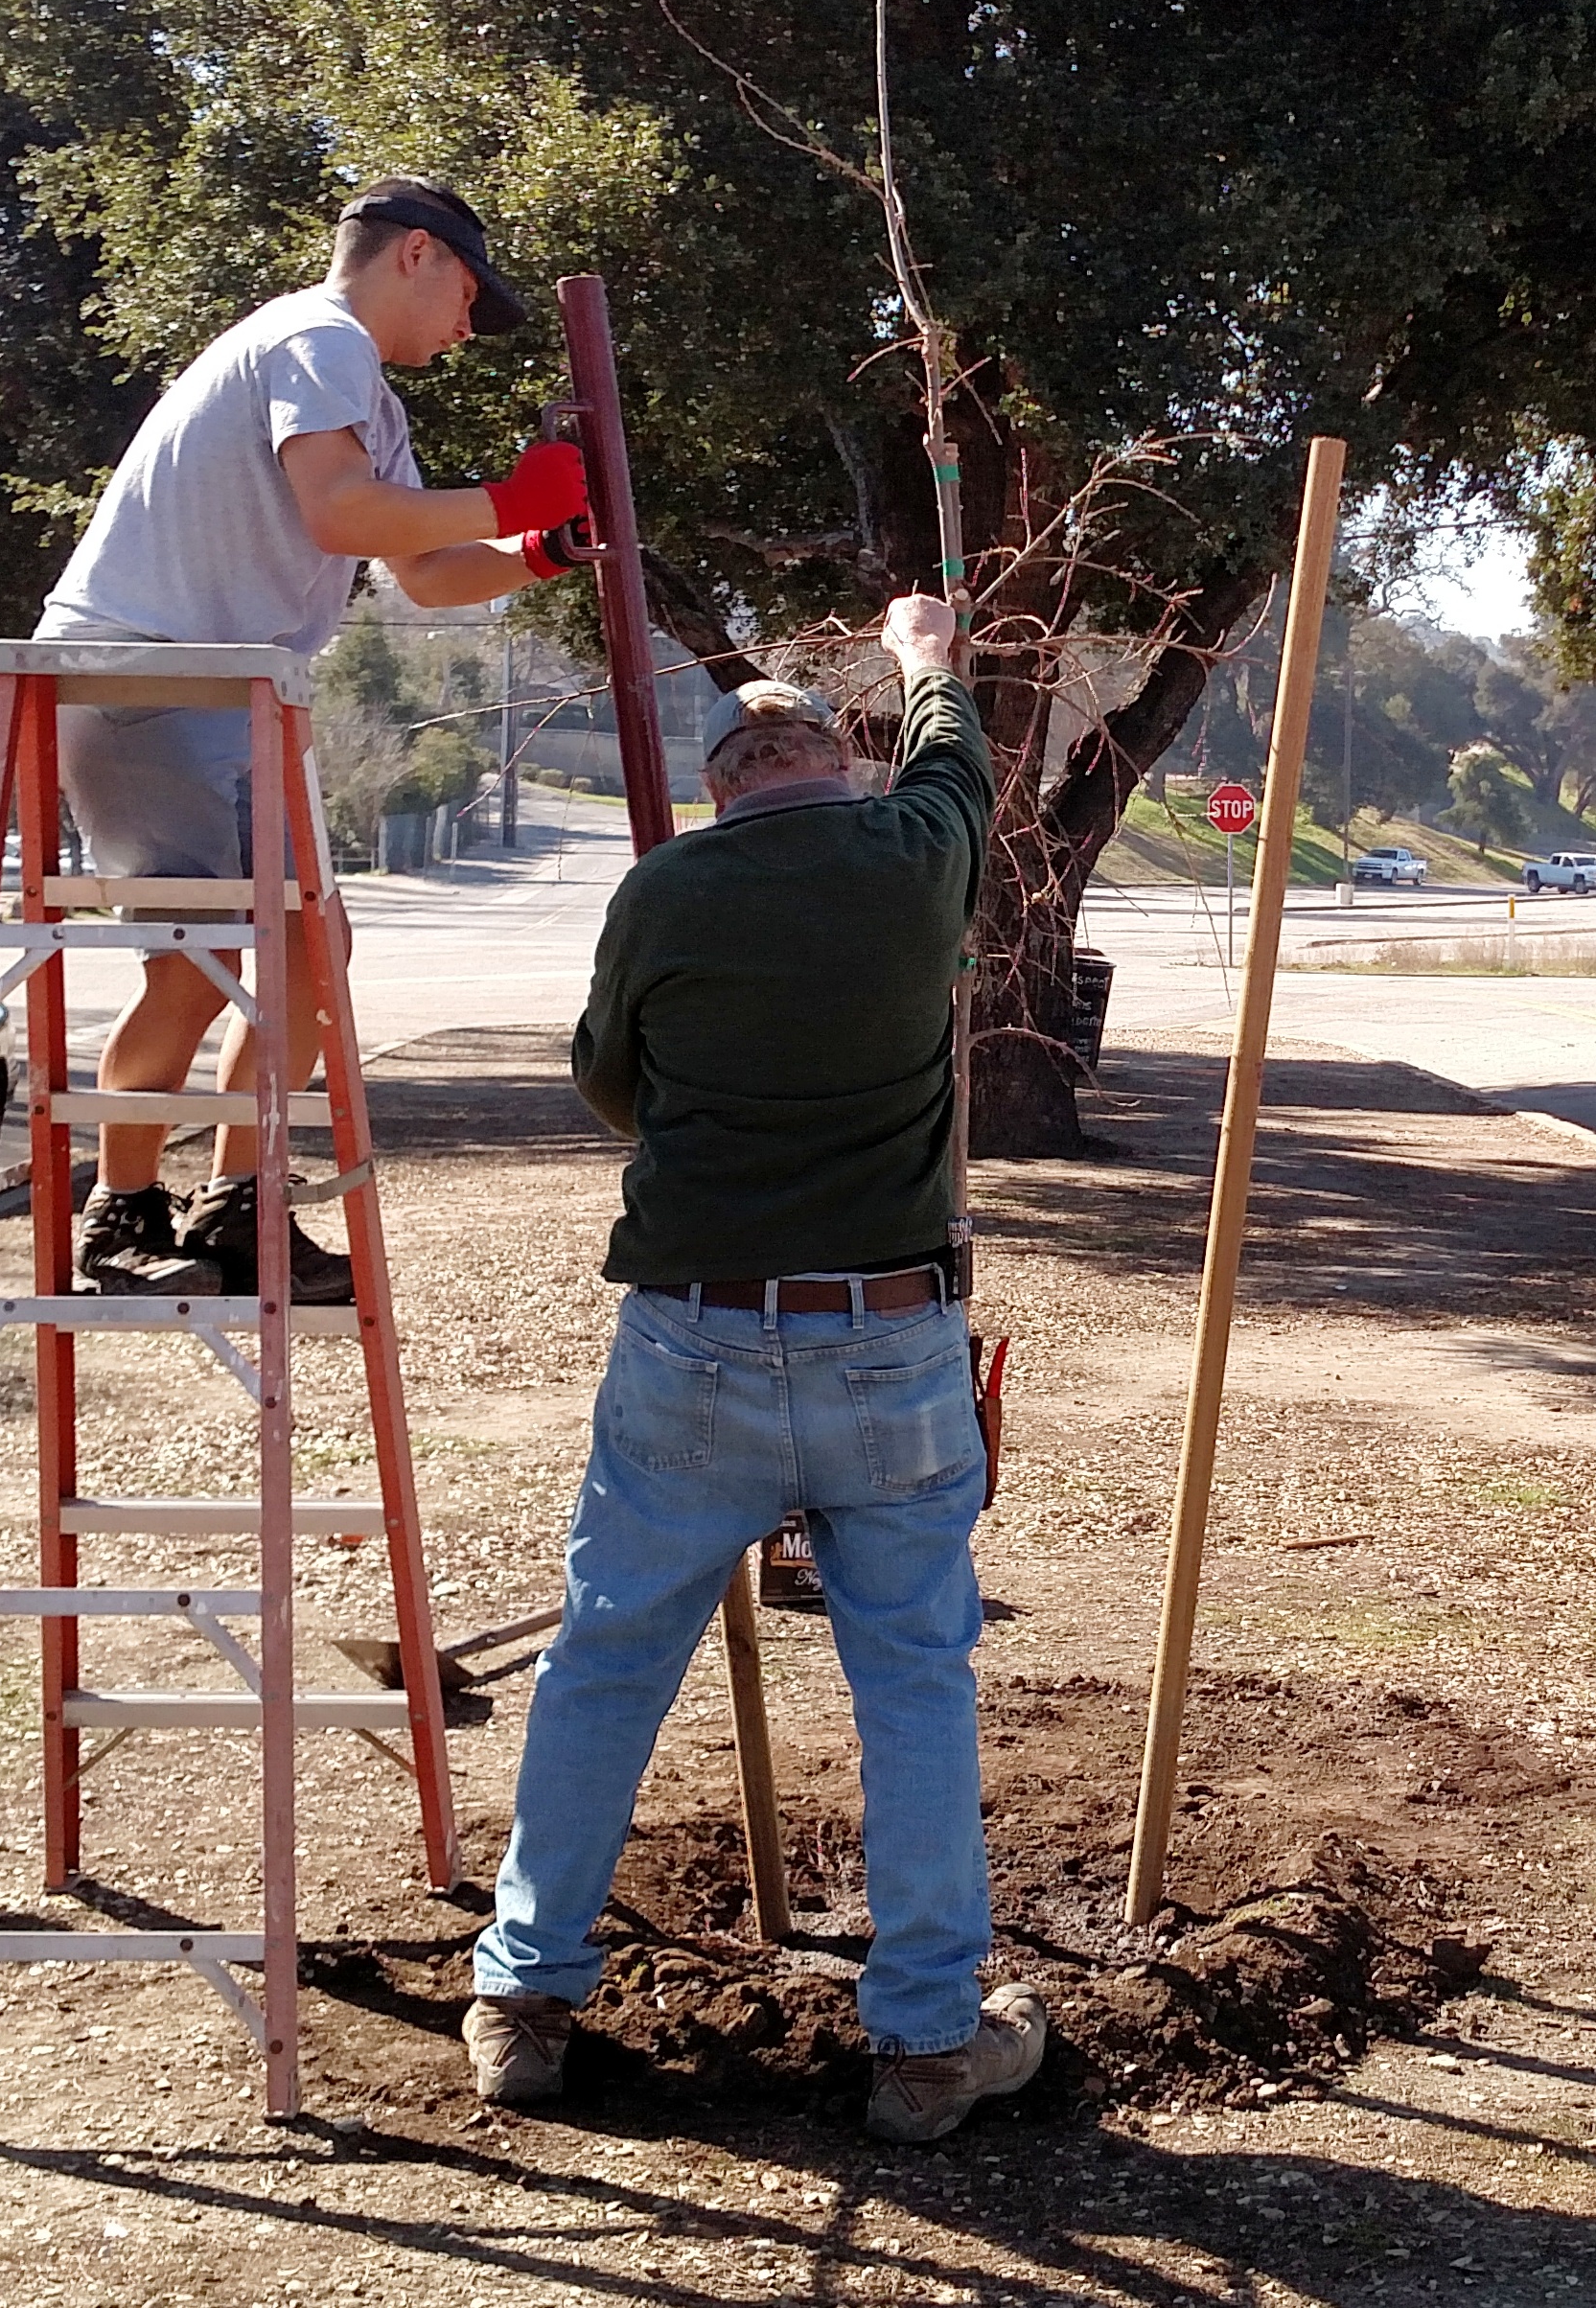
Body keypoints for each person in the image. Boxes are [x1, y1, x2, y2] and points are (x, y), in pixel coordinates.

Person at [462, 592, 1048, 2145]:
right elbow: (955, 760)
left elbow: (609, 1083)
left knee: (603, 1658)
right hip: (889, 1335)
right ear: (833, 765)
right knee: (914, 1680)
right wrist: (926, 650)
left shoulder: (663, 892)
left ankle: (522, 1995)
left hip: (693, 1335)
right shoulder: (912, 857)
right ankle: (926, 2041)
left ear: (723, 778)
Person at [29, 180, 595, 1300]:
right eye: (469, 294)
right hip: (146, 671)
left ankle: (238, 1209)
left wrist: (543, 545)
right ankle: (121, 1211)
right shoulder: (316, 336)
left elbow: (422, 573)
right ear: (416, 254)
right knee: (199, 971)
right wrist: (506, 495)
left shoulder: (360, 391)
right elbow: (342, 515)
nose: (468, 326)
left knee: (308, 967)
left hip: (225, 689)